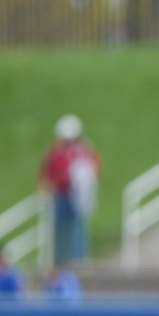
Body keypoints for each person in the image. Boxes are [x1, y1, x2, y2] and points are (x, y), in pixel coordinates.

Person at [39, 114, 101, 266]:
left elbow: (95, 168)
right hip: (61, 194)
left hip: (77, 195)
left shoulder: (84, 150)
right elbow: (46, 171)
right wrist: (48, 184)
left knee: (77, 227)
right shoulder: (55, 151)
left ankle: (79, 260)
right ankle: (60, 261)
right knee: (60, 228)